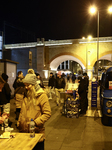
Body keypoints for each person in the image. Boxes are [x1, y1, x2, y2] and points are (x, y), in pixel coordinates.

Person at [17, 73, 51, 150]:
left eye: (28, 85)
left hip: (36, 133)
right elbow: (22, 111)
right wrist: (19, 122)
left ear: (34, 85)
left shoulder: (42, 96)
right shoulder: (26, 95)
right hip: (23, 132)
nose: (26, 87)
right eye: (25, 85)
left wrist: (35, 122)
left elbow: (47, 113)